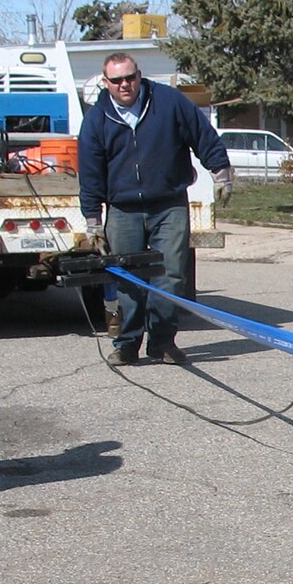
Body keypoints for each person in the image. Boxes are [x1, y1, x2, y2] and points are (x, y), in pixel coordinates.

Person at [76, 52, 232, 365]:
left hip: (169, 203)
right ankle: (127, 344)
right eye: (117, 80)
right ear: (105, 83)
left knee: (171, 274)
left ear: (140, 75)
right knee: (128, 279)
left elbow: (202, 135)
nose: (125, 85)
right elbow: (90, 172)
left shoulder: (169, 102)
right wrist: (93, 219)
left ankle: (162, 342)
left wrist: (221, 173)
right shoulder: (97, 118)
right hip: (123, 209)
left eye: (130, 77)